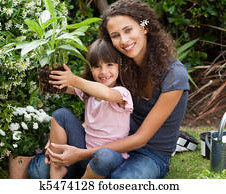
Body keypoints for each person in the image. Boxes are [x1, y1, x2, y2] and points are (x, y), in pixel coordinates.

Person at [31, 0, 190, 179]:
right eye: (115, 35)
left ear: (144, 27)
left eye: (128, 30)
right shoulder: (120, 66)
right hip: (111, 142)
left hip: (149, 153)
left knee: (118, 181)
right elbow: (90, 92)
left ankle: (83, 169)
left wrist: (81, 153)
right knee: (38, 170)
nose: (124, 40)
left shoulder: (174, 76)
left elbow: (141, 139)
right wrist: (51, 78)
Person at [28, 39, 133, 179]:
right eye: (97, 66)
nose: (104, 71)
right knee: (61, 114)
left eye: (109, 65)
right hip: (83, 152)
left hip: (110, 159)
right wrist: (50, 75)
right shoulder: (88, 93)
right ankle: (56, 170)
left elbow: (106, 94)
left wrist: (74, 80)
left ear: (119, 66)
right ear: (90, 69)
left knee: (104, 156)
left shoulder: (121, 93)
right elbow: (65, 87)